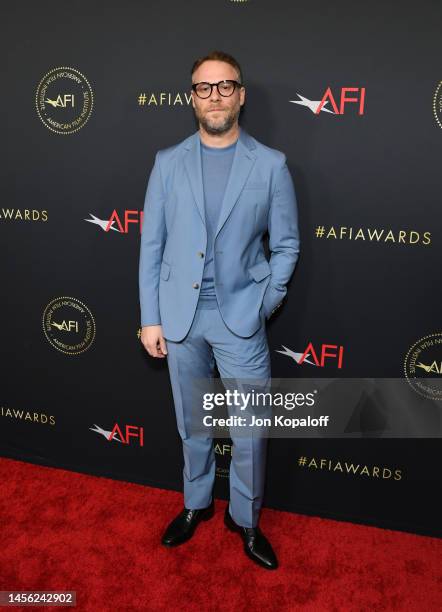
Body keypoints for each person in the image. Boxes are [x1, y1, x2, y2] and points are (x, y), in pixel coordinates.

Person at [139, 50, 300, 570]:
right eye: (204, 88)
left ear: (241, 94)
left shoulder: (271, 165)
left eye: (225, 86)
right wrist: (150, 317)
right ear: (192, 97)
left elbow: (287, 246)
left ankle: (247, 520)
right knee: (193, 422)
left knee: (250, 426)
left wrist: (264, 305)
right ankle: (195, 503)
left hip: (240, 317)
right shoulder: (167, 162)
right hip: (180, 318)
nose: (215, 96)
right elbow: (152, 246)